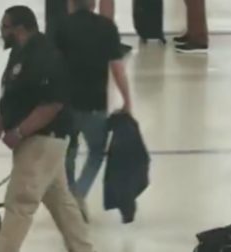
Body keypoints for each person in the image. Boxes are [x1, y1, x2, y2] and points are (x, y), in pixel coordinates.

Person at [0, 6, 95, 252]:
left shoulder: (45, 56)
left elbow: (52, 104)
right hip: (35, 139)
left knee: (19, 203)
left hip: (43, 139)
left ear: (20, 29)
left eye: (5, 26)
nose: (1, 31)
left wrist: (19, 131)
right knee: (61, 202)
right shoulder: (20, 54)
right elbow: (19, 99)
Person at [55, 0, 132, 222]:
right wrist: (127, 100)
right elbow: (118, 69)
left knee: (67, 152)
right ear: (95, 4)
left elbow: (53, 64)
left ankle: (70, 197)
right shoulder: (107, 27)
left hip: (65, 104)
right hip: (95, 103)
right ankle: (80, 192)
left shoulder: (62, 26)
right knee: (97, 152)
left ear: (70, 4)